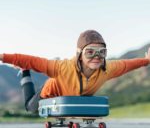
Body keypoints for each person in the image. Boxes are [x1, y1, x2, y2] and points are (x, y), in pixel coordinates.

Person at [0, 30, 150, 113]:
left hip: (72, 99)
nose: (97, 57)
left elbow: (127, 64)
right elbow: (32, 60)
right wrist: (3, 57)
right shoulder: (63, 67)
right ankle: (25, 73)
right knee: (30, 108)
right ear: (79, 54)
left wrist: (147, 60)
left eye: (101, 52)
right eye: (90, 52)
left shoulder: (107, 68)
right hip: (51, 92)